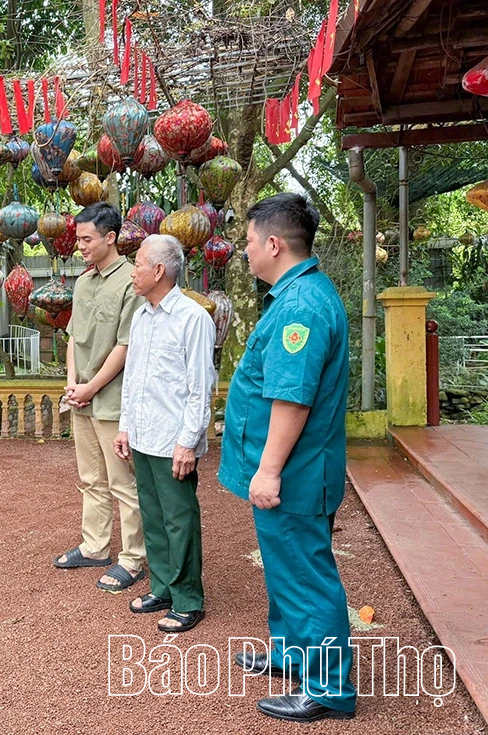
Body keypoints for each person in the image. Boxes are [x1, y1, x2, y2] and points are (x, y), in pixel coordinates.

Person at [219, 193, 356, 722]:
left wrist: (269, 469)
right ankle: (290, 654)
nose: (245, 253)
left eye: (249, 243)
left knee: (304, 575)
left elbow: (292, 397)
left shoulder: (300, 306)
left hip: (295, 474)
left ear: (273, 244)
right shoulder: (299, 295)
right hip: (295, 471)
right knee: (285, 570)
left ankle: (326, 688)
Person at [114, 235, 216, 633]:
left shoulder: (193, 318)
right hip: (143, 435)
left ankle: (189, 598)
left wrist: (188, 442)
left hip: (174, 440)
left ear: (159, 270)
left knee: (179, 518)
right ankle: (163, 588)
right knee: (153, 517)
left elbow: (199, 387)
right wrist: (125, 427)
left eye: (137, 263)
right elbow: (133, 380)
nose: (132, 272)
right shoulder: (141, 316)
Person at [54, 201, 147, 592]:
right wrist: (73, 384)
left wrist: (91, 388)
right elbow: (74, 337)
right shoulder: (83, 282)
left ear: (111, 238)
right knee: (90, 479)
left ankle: (134, 557)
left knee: (123, 482)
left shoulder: (131, 282)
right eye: (78, 240)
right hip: (83, 397)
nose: (81, 246)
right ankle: (95, 546)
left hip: (112, 401)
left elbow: (125, 345)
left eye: (87, 239)